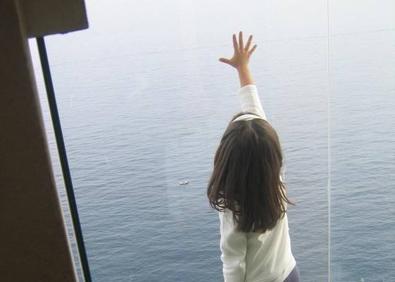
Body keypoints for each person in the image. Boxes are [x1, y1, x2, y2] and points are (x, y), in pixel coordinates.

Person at [207, 31, 300, 282]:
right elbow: (254, 110)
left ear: (226, 163)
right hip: (288, 273)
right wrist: (243, 68)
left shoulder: (233, 208)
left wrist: (241, 67)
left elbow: (233, 265)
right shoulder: (274, 178)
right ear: (273, 154)